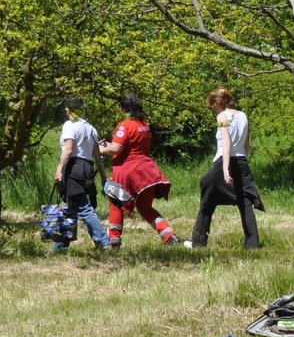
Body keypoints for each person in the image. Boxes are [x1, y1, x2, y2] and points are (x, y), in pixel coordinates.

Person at [187, 86, 264, 249]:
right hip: (242, 160)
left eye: (213, 104)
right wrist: (243, 160)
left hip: (224, 160)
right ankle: (252, 243)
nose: (213, 108)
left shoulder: (222, 116)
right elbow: (246, 143)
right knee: (245, 202)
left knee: (207, 199)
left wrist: (225, 168)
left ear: (218, 101)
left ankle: (198, 242)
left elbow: (226, 143)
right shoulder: (243, 115)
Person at [99, 92, 180, 247]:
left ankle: (113, 240)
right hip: (146, 171)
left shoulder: (125, 125)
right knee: (145, 207)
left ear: (123, 108)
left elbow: (116, 148)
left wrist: (101, 148)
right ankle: (169, 235)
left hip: (128, 172)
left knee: (116, 203)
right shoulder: (144, 125)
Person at [50, 98, 110, 251]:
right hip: (87, 168)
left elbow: (68, 149)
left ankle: (104, 242)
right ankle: (61, 245)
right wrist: (103, 177)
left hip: (74, 167)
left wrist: (59, 169)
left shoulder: (70, 125)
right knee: (69, 206)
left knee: (83, 207)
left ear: (69, 109)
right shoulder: (90, 128)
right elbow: (97, 155)